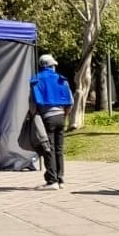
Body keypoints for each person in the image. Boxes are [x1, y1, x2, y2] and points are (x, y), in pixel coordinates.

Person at [31, 54, 73, 190]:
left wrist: (34, 118)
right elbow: (70, 101)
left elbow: (32, 104)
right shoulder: (61, 79)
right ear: (51, 66)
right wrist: (65, 115)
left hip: (47, 118)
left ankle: (52, 181)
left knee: (48, 149)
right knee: (59, 149)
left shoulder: (36, 80)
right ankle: (60, 179)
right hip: (61, 117)